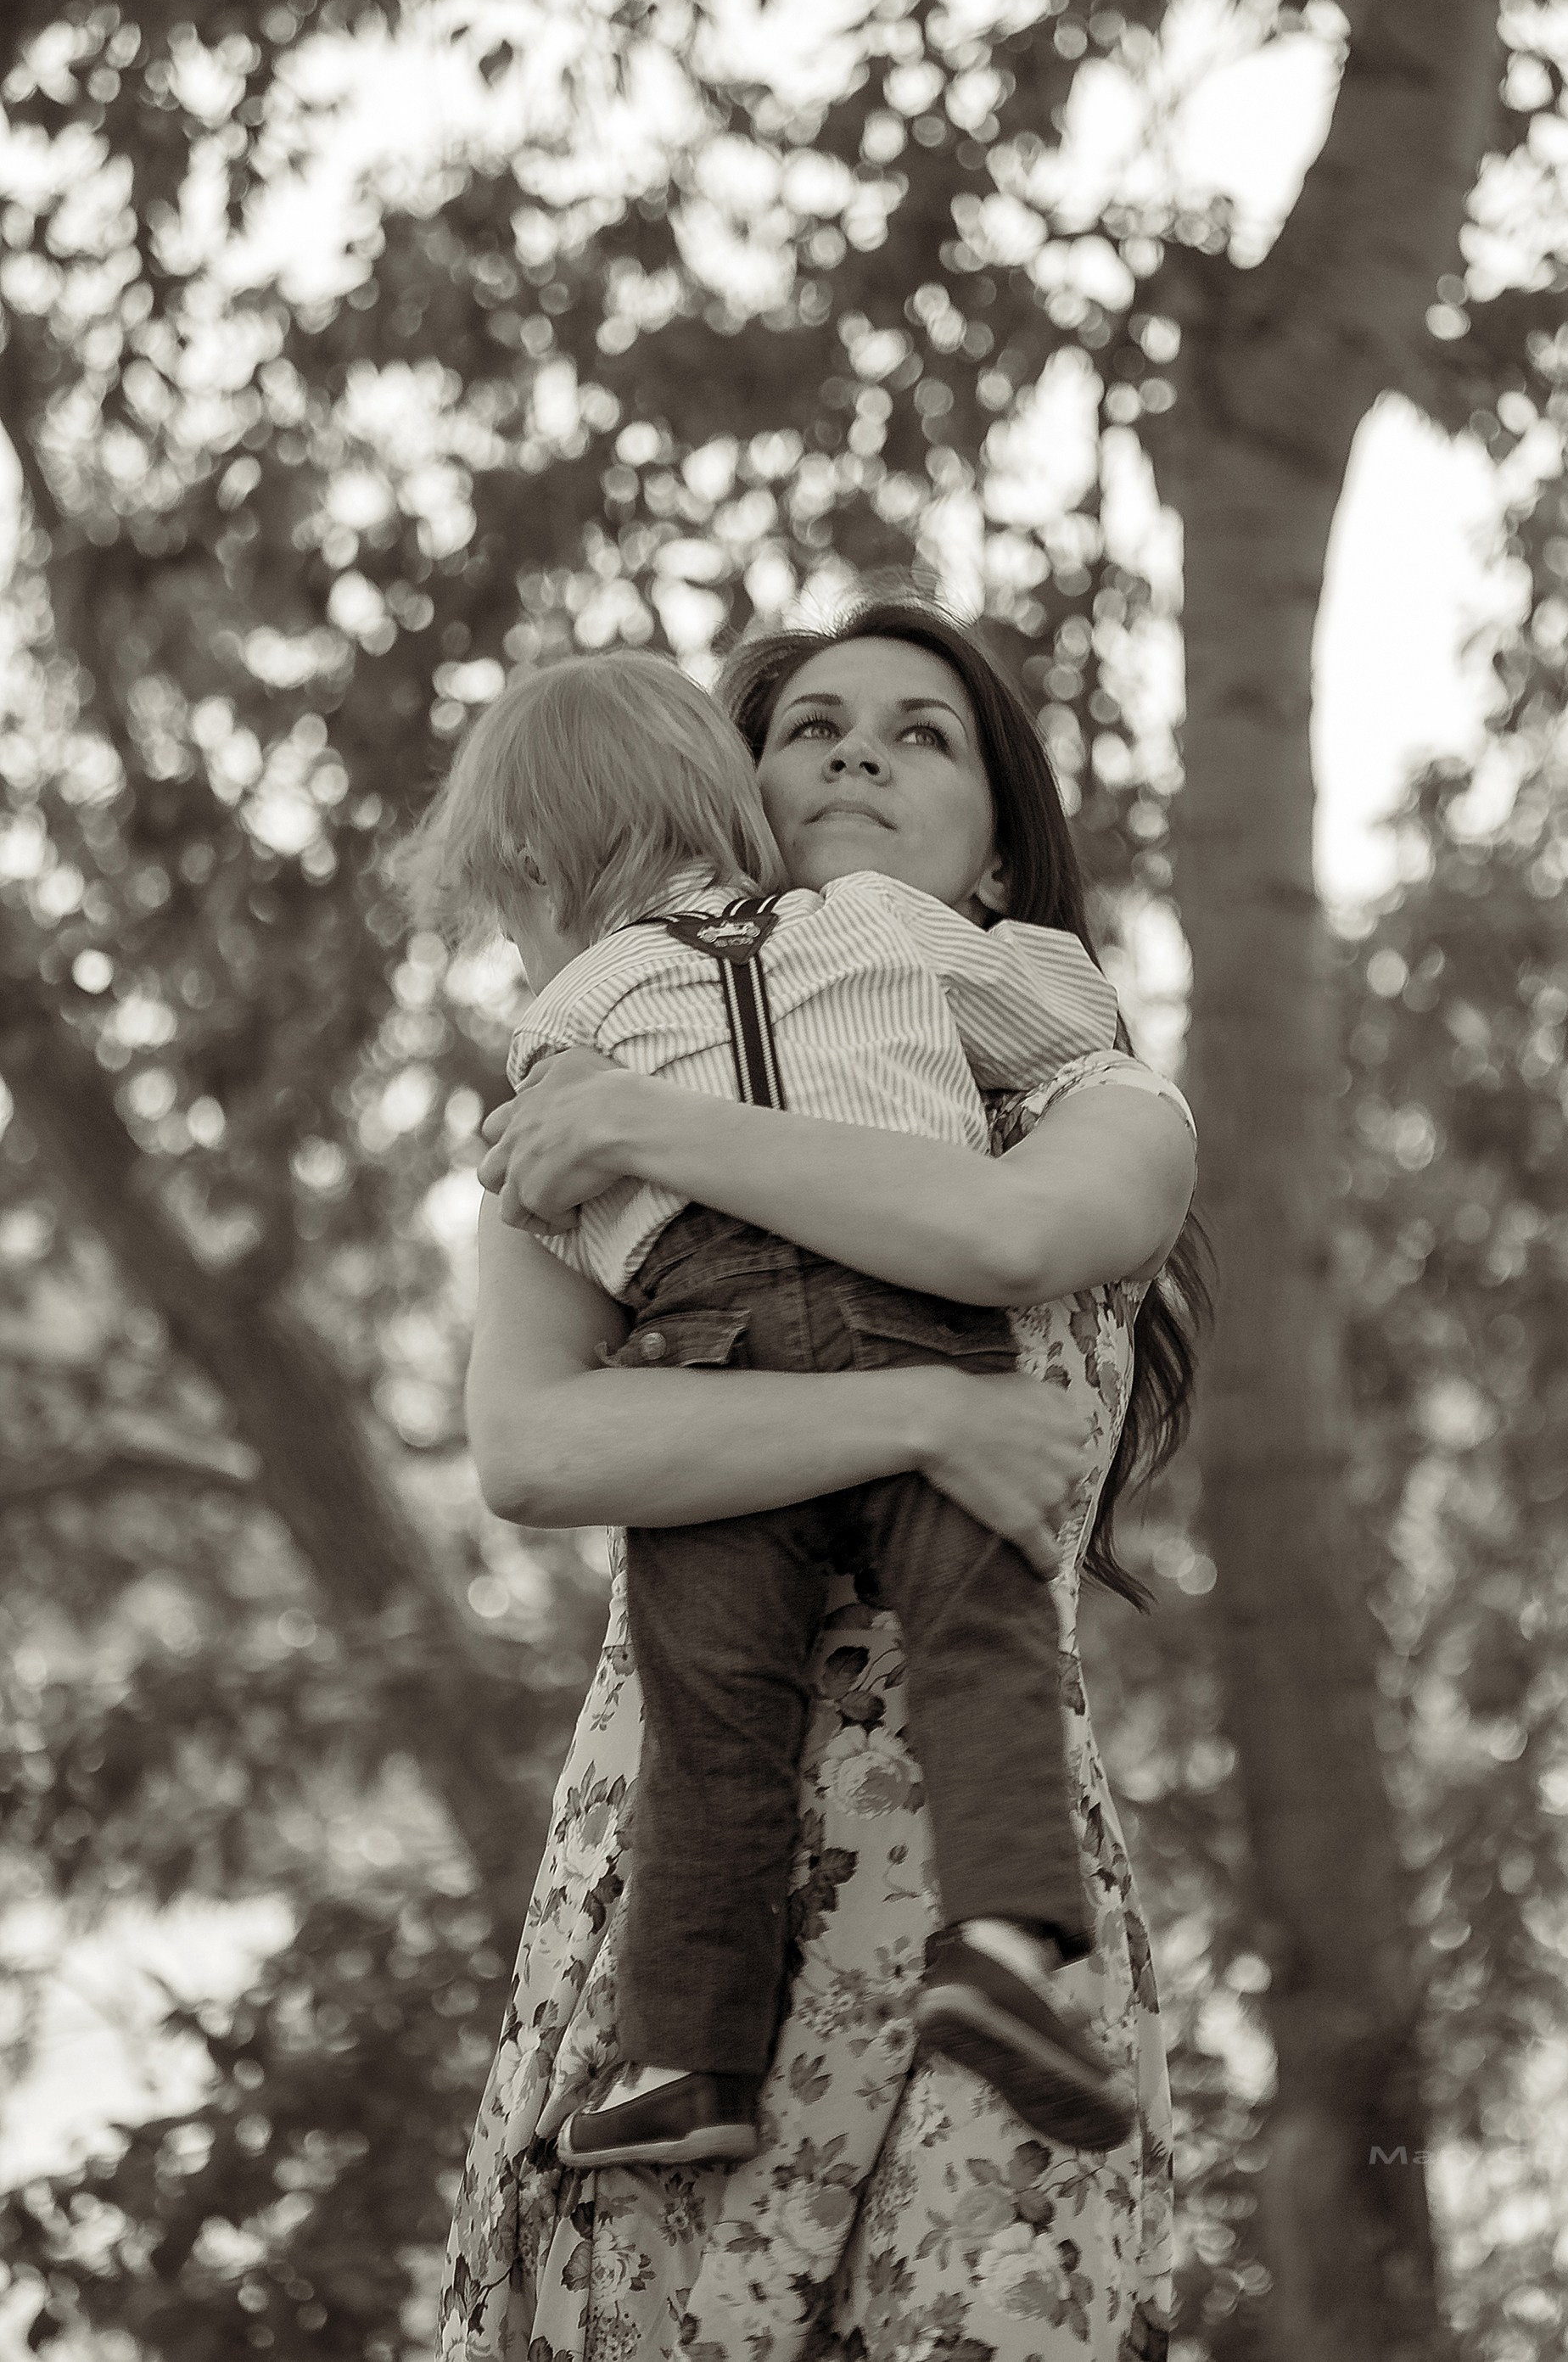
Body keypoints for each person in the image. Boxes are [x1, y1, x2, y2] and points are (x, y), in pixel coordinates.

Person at [440, 596, 1206, 2362]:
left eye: (922, 732)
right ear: (730, 796)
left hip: (969, 1883)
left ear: (1000, 854)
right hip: (671, 1891)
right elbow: (534, 1450)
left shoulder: (1092, 1103)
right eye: (812, 727)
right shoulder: (580, 1104)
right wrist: (921, 1423)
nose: (860, 751)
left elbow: (1006, 1240)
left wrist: (645, 1125)